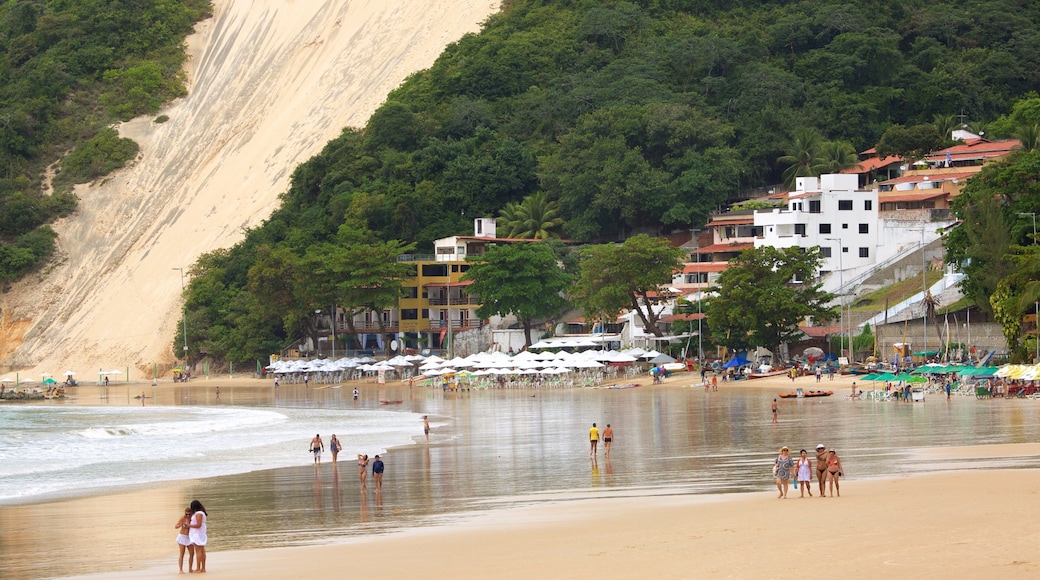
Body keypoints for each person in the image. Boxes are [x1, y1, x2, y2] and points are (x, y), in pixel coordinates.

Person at [187, 500, 208, 573]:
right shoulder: (201, 513)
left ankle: (198, 568)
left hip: (197, 534)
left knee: (199, 551)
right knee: (202, 551)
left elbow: (198, 525)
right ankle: (203, 568)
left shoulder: (199, 514)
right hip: (200, 533)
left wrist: (189, 525)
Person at [175, 506, 193, 573]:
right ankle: (180, 569)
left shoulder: (192, 518)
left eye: (189, 514)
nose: (188, 516)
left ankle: (190, 569)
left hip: (189, 537)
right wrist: (181, 525)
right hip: (182, 536)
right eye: (186, 514)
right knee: (182, 553)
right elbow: (176, 526)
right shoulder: (183, 518)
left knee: (192, 553)